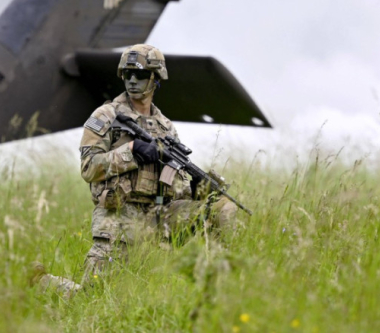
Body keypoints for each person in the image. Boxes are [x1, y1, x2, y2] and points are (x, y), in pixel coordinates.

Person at [33, 44, 236, 296]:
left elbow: (170, 181)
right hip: (119, 215)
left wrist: (195, 190)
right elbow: (88, 168)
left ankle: (222, 287)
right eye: (126, 74)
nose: (131, 80)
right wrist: (131, 151)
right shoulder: (106, 116)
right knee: (92, 297)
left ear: (155, 78)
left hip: (159, 215)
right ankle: (40, 282)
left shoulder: (165, 126)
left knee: (221, 209)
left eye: (139, 75)